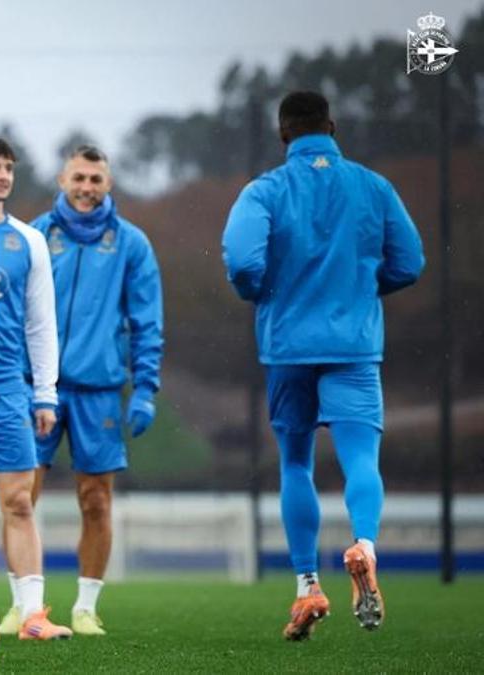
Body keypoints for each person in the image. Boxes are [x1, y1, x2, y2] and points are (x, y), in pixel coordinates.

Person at [222, 91, 424, 641]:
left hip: (288, 347)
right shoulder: (373, 186)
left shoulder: (265, 190)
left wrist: (265, 294)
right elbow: (410, 260)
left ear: (283, 133)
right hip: (355, 346)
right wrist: (361, 289)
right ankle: (365, 543)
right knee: (361, 459)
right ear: (331, 127)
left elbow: (242, 261)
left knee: (296, 465)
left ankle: (308, 585)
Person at [28, 144, 164, 637]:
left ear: (109, 185)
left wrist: (145, 387)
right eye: (79, 178)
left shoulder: (131, 244)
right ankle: (29, 606)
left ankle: (85, 607)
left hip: (100, 389)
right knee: (22, 499)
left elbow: (147, 322)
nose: (87, 188)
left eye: (96, 180)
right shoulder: (36, 236)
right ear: (62, 180)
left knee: (96, 501)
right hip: (36, 386)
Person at [0, 136, 71, 640]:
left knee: (19, 501)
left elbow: (41, 324)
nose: (1, 175)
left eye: (7, 168)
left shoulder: (28, 240)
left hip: (9, 391)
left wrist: (44, 392)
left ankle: (31, 615)